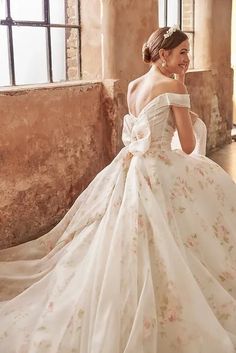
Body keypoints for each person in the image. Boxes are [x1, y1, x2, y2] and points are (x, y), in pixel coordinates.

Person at [0, 26, 236, 353]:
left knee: (131, 236)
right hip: (160, 167)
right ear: (163, 54)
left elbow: (144, 128)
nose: (187, 58)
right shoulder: (173, 86)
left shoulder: (135, 85)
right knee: (192, 219)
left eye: (187, 51)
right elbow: (187, 144)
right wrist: (182, 93)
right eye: (182, 51)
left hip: (135, 167)